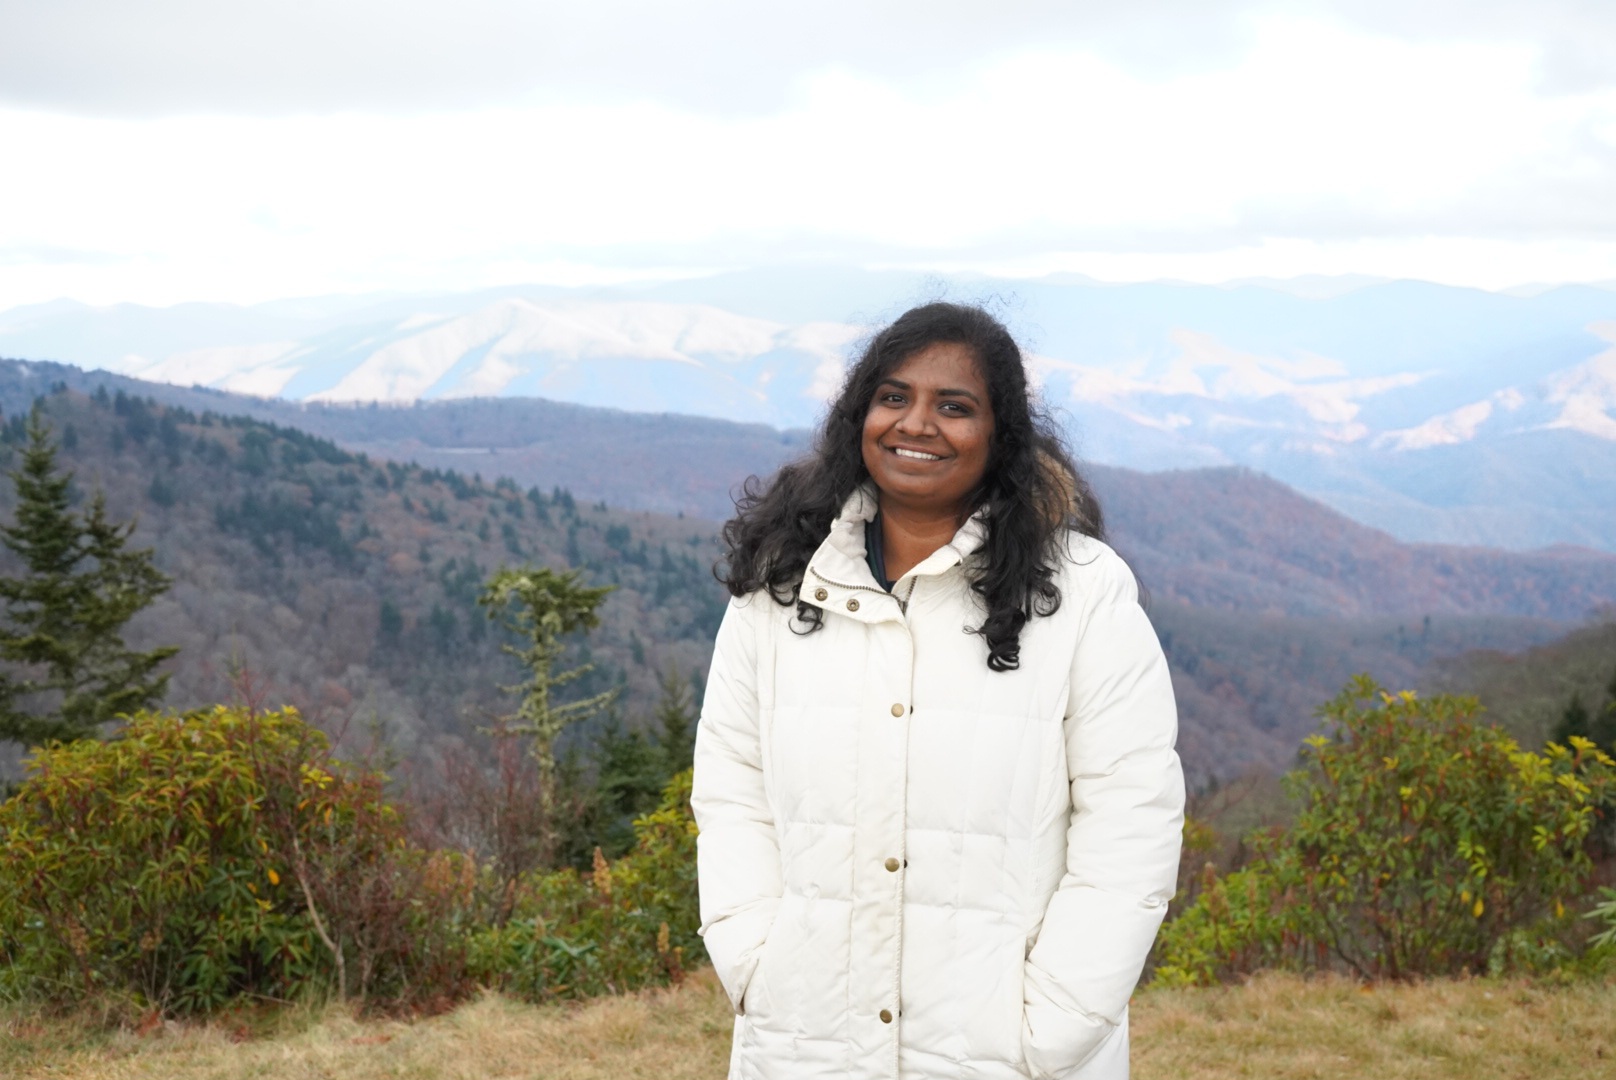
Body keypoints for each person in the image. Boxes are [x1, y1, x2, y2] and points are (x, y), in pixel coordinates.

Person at [691, 302, 1184, 1080]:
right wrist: (753, 954)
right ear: (860, 414)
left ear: (1000, 434)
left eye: (954, 407)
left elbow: (1131, 824)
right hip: (805, 1037)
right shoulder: (781, 583)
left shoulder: (1084, 593)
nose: (916, 423)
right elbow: (730, 789)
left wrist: (1056, 1022)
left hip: (1006, 1052)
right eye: (894, 397)